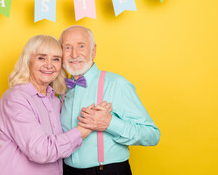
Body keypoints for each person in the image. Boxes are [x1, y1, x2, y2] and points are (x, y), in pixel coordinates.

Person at [0, 35, 109, 175]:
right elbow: (40, 151)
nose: (49, 65)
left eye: (56, 59)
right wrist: (84, 129)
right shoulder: (16, 98)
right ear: (28, 61)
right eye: (41, 58)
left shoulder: (55, 100)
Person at [59, 26, 161, 175]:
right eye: (68, 47)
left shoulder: (117, 84)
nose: (74, 54)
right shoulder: (61, 90)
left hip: (107, 171)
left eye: (81, 46)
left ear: (93, 51)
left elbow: (152, 135)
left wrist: (110, 124)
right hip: (67, 171)